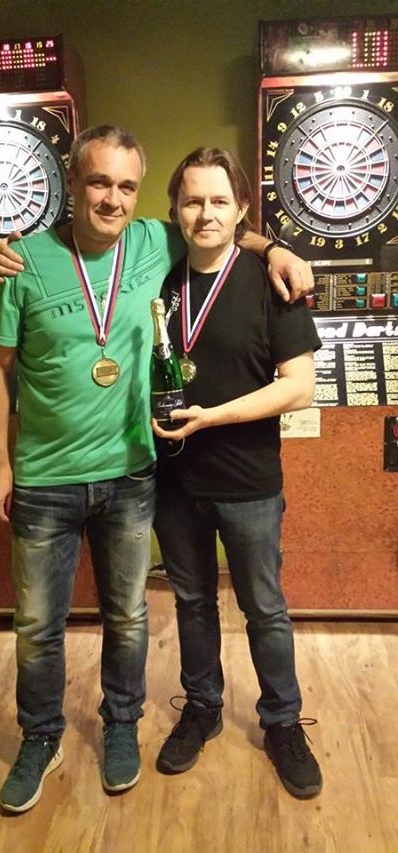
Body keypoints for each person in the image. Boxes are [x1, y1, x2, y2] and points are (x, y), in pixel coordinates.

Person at [0, 125, 314, 814]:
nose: (113, 197)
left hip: (188, 477)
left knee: (203, 612)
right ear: (74, 183)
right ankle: (104, 726)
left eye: (126, 185)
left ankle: (231, 723)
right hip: (106, 479)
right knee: (96, 618)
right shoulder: (83, 259)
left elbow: (295, 378)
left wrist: (276, 246)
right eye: (100, 182)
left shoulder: (214, 261)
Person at [152, 147, 323, 800]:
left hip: (249, 482)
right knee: (192, 603)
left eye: (219, 200)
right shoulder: (155, 276)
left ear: (242, 208)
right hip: (173, 484)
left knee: (265, 609)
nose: (205, 213)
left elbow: (299, 386)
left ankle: (282, 720)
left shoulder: (271, 280)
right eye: (192, 200)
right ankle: (202, 708)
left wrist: (212, 417)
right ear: (174, 209)